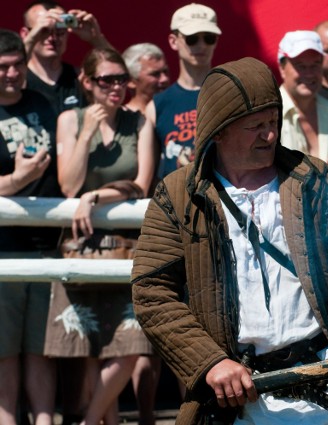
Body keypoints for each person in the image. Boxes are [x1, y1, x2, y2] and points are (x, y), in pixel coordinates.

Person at [131, 56, 328, 425]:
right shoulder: (179, 196)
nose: (271, 135)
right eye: (255, 126)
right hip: (241, 399)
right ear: (218, 131)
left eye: (273, 122)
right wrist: (209, 362)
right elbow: (152, 294)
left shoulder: (315, 181)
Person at [44, 47, 155, 425]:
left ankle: (88, 422)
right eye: (106, 80)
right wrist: (88, 130)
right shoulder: (69, 120)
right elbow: (67, 184)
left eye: (121, 79)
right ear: (87, 82)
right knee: (89, 349)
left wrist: (95, 196)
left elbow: (141, 184)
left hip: (128, 248)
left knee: (130, 345)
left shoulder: (139, 122)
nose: (116, 87)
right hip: (81, 247)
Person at [0, 28, 61, 425]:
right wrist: (19, 179)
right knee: (3, 352)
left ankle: (43, 421)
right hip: (2, 250)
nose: (11, 73)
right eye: (2, 67)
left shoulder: (43, 102)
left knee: (42, 349)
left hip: (46, 246)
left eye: (18, 64)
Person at [122, 41, 170, 425]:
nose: (163, 79)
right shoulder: (126, 117)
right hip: (126, 236)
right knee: (138, 339)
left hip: (161, 230)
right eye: (155, 74)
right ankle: (145, 418)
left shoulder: (162, 111)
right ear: (133, 77)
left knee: (157, 340)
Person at [147, 3, 220, 178]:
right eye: (192, 38)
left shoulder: (231, 94)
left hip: (225, 198)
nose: (201, 45)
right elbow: (147, 177)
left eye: (209, 37)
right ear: (173, 41)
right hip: (176, 200)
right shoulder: (156, 106)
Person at [20, 1, 111, 116]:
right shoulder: (17, 77)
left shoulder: (80, 78)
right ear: (25, 34)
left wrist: (96, 39)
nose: (52, 38)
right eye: (44, 31)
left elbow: (125, 77)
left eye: (59, 31)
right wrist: (30, 40)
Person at [278, 30, 328, 163]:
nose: (309, 74)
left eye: (315, 65)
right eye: (301, 66)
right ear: (282, 69)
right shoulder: (269, 115)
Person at [123, 42, 170, 113]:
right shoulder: (118, 119)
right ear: (131, 81)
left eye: (165, 71)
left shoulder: (178, 112)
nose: (165, 79)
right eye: (155, 74)